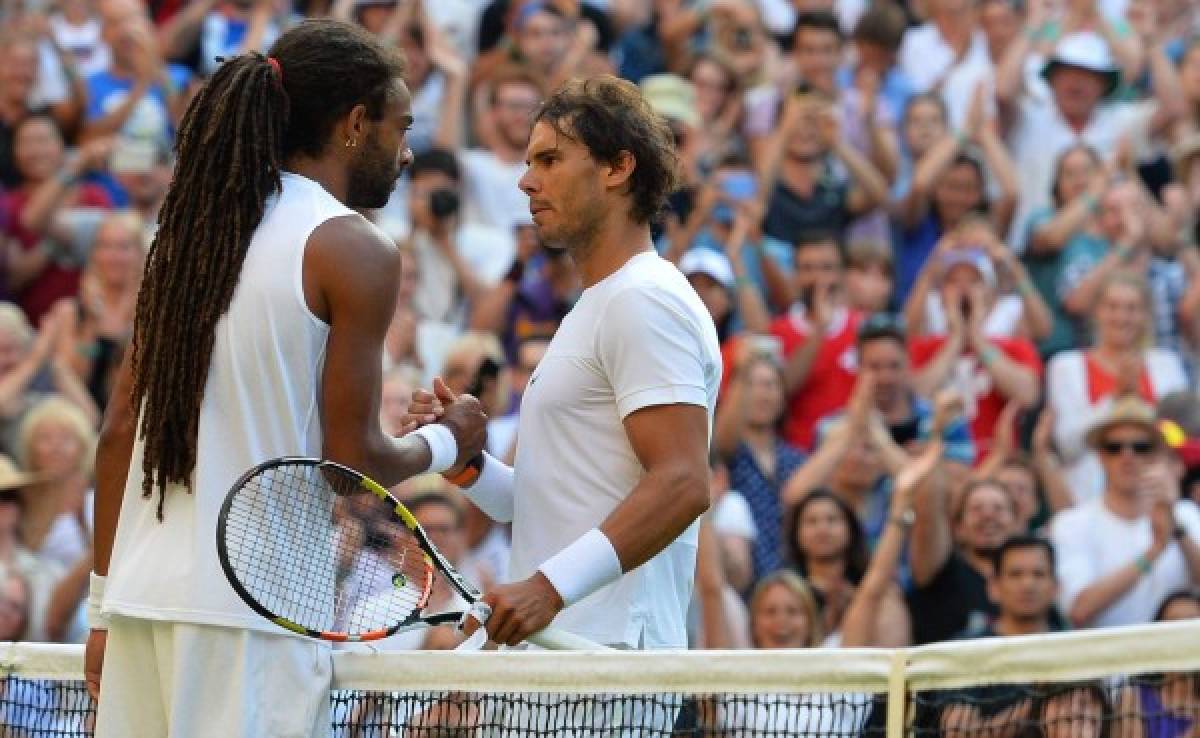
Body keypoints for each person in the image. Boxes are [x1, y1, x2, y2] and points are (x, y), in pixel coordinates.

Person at [86, 20, 488, 738]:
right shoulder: (355, 249)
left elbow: (117, 432)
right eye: (401, 127)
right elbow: (350, 466)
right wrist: (449, 442)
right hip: (253, 620)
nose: (407, 152)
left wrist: (102, 608)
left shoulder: (187, 239)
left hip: (140, 603)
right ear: (355, 124)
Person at [414, 75, 721, 656]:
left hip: (605, 662)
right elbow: (547, 504)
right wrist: (469, 466)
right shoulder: (599, 304)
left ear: (617, 168)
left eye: (551, 159)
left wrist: (547, 590)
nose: (527, 180)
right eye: (529, 161)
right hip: (561, 657)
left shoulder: (643, 298)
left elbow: (682, 482)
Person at [1051, 396, 1200, 629]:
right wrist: (1153, 552)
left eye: (1141, 447)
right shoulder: (1071, 524)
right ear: (1100, 456)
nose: (1127, 456)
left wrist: (1177, 529)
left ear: (1157, 454)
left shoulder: (1187, 514)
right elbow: (1079, 609)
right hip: (1107, 662)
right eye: (1114, 447)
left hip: (1179, 663)